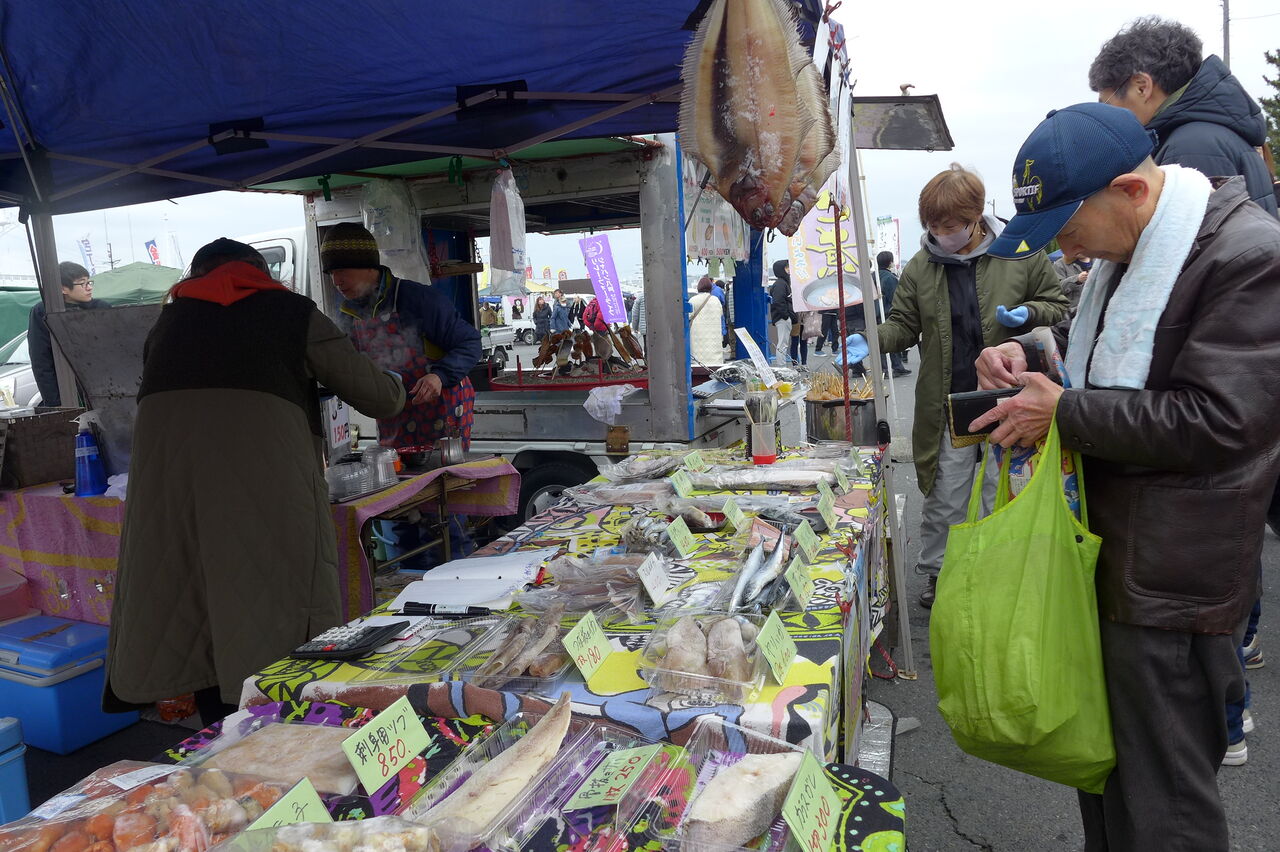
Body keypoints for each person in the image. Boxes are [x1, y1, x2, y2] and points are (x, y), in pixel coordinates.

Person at [971, 103, 1280, 850]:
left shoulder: (1249, 256)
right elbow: (1116, 356)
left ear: (1131, 191)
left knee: (1165, 803)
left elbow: (1222, 421)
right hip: (1114, 565)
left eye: (1068, 228)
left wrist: (1066, 412)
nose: (1066, 248)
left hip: (1171, 583)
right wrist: (1033, 353)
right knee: (1109, 780)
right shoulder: (1140, 249)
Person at [104, 239, 405, 725]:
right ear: (261, 274)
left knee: (197, 608)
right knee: (273, 609)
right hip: (270, 495)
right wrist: (398, 380)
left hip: (173, 500)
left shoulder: (169, 322)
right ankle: (280, 737)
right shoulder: (292, 313)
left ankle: (218, 738)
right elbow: (380, 398)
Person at [1092, 16, 1278, 763]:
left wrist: (1072, 409)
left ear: (1143, 86)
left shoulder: (1190, 151)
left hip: (1182, 530)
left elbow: (1206, 403)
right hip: (1193, 519)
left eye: (1110, 102)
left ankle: (1223, 716)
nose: (1111, 124)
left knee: (1171, 750)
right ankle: (1222, 704)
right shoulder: (1221, 135)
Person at [839, 164, 1067, 607]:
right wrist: (871, 338)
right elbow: (904, 325)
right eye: (933, 226)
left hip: (1012, 395)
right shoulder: (921, 266)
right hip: (948, 400)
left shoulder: (1020, 252)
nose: (941, 234)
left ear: (976, 217)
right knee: (946, 493)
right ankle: (940, 574)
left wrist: (1030, 314)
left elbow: (1057, 306)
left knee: (1002, 489)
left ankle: (997, 573)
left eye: (950, 226)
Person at [322, 222, 482, 569]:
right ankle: (408, 579)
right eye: (331, 272)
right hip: (395, 417)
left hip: (441, 413)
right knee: (399, 505)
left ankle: (456, 574)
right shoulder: (347, 314)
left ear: (368, 266)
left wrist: (439, 376)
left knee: (441, 507)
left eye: (342, 270)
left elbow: (470, 343)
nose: (336, 280)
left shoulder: (417, 299)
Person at [1089, 16, 1277, 216]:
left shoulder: (1190, 148)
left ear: (1142, 87)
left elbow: (1195, 234)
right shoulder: (1209, 131)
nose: (1107, 115)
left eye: (1106, 103)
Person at [28, 261, 108, 406]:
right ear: (63, 288)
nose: (89, 287)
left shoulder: (101, 308)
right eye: (82, 283)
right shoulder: (43, 311)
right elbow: (41, 359)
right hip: (67, 390)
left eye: (89, 282)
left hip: (104, 389)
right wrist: (55, 402)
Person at [876, 251, 910, 376]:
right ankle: (893, 368)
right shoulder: (889, 277)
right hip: (887, 313)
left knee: (880, 341)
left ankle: (889, 368)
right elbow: (895, 298)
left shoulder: (873, 276)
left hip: (874, 313)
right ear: (890, 262)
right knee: (891, 340)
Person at [689, 277, 725, 366]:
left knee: (698, 360)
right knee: (714, 363)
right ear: (710, 287)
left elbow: (688, 317)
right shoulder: (716, 300)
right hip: (714, 339)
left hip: (698, 338)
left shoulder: (693, 300)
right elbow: (720, 314)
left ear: (698, 287)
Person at [768, 260, 796, 364]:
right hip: (782, 318)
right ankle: (781, 366)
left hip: (782, 317)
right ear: (781, 270)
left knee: (783, 343)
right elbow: (778, 301)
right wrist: (786, 316)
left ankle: (782, 365)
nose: (789, 269)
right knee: (783, 343)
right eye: (786, 267)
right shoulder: (780, 284)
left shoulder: (781, 283)